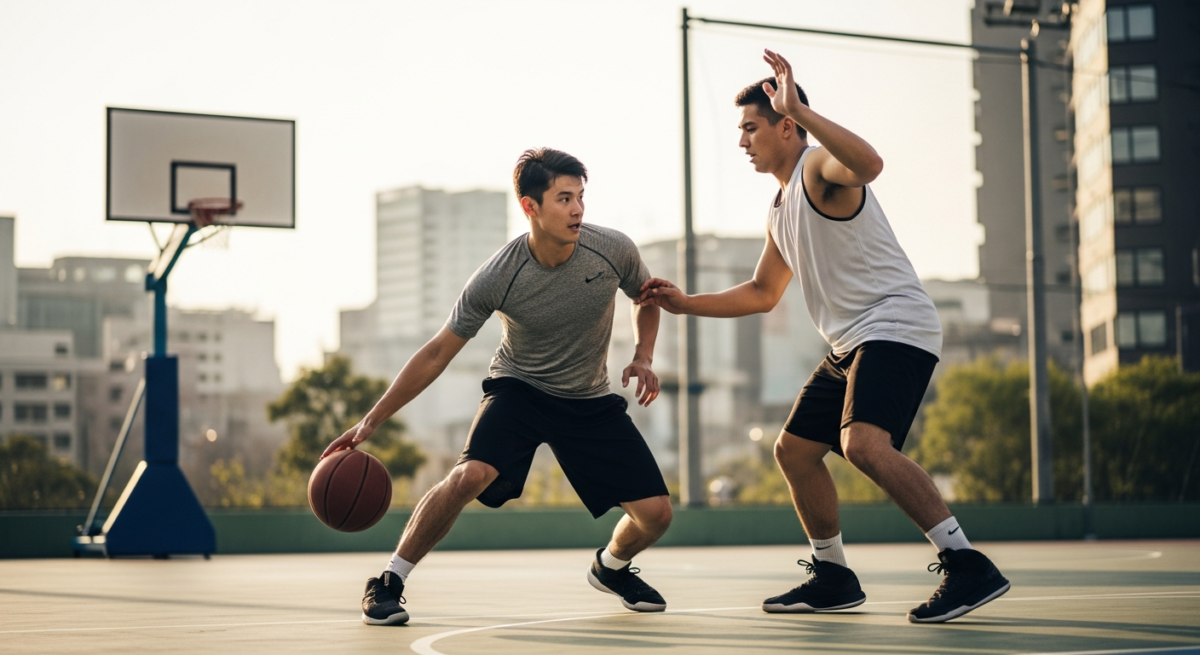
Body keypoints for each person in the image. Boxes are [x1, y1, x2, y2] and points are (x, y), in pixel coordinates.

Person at [636, 50, 1010, 624]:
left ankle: (967, 564)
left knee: (863, 444)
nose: (742, 141)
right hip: (849, 343)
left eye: (751, 128)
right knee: (795, 452)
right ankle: (833, 575)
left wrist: (804, 113)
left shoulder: (818, 170)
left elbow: (870, 164)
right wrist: (685, 304)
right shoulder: (781, 206)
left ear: (786, 125)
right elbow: (763, 292)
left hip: (895, 325)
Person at [322, 148, 673, 626]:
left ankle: (610, 567)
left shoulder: (612, 249)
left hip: (588, 396)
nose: (577, 210)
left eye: (581, 197)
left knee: (656, 515)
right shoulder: (499, 275)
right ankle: (388, 581)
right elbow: (436, 353)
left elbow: (646, 296)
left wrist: (643, 355)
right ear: (531, 207)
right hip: (520, 389)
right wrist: (369, 422)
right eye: (564, 198)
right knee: (470, 475)